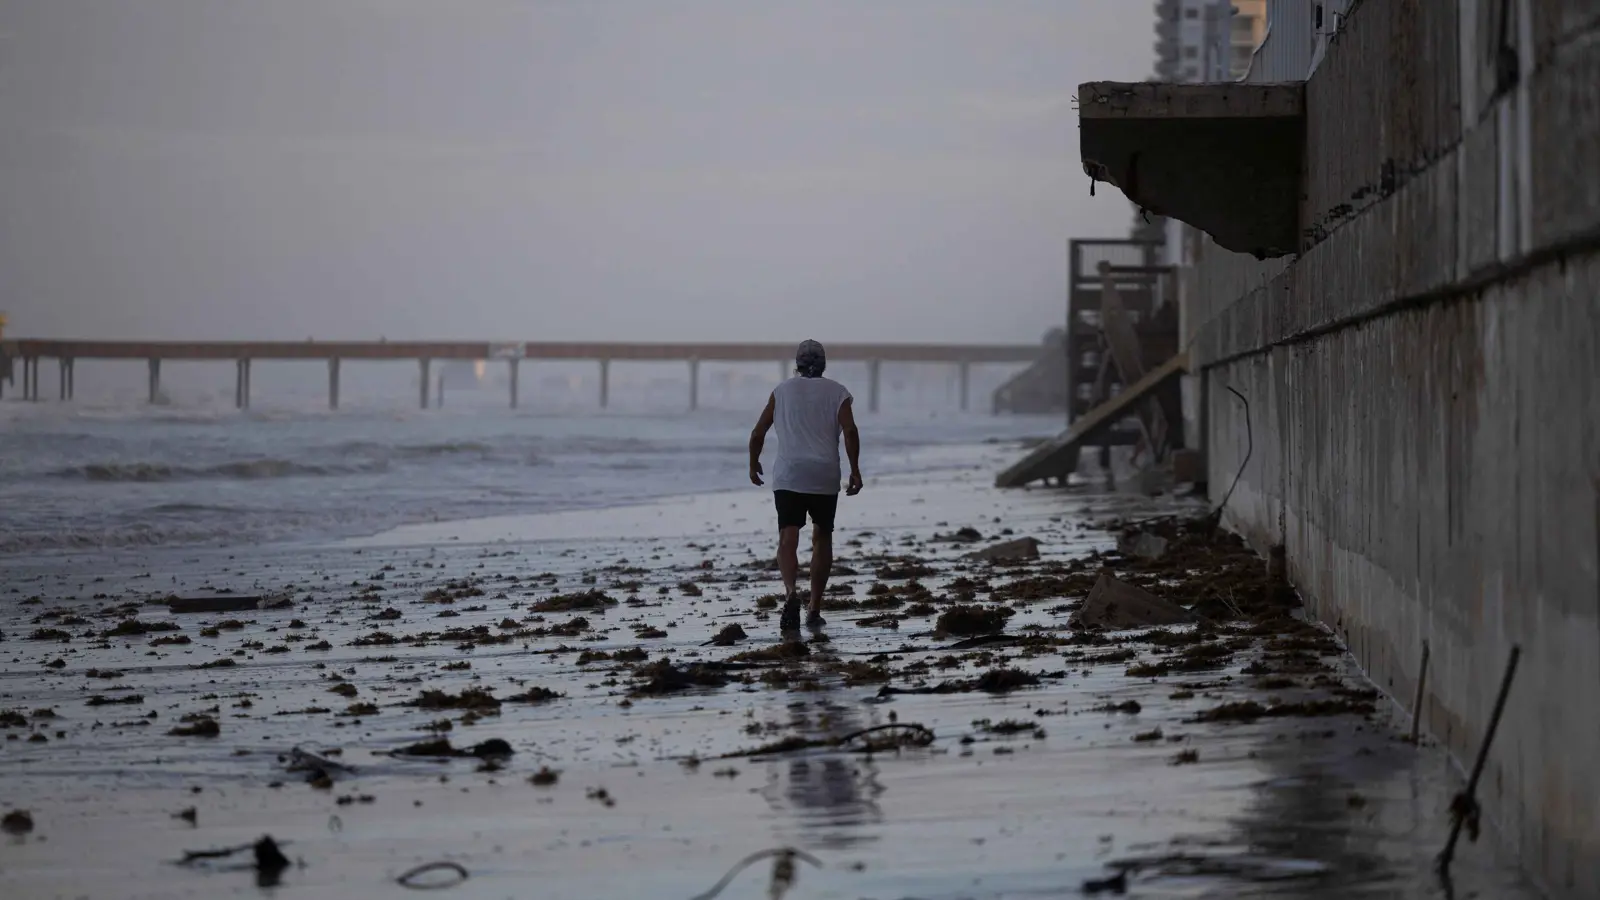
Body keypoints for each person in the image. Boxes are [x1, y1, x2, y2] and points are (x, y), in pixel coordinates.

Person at [748, 339, 862, 631]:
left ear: (797, 364)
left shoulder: (781, 391)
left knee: (788, 536)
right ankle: (814, 608)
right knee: (822, 537)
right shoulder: (838, 392)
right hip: (824, 474)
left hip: (790, 474)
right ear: (823, 364)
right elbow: (849, 430)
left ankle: (790, 593)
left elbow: (758, 432)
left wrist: (753, 463)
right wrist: (855, 470)